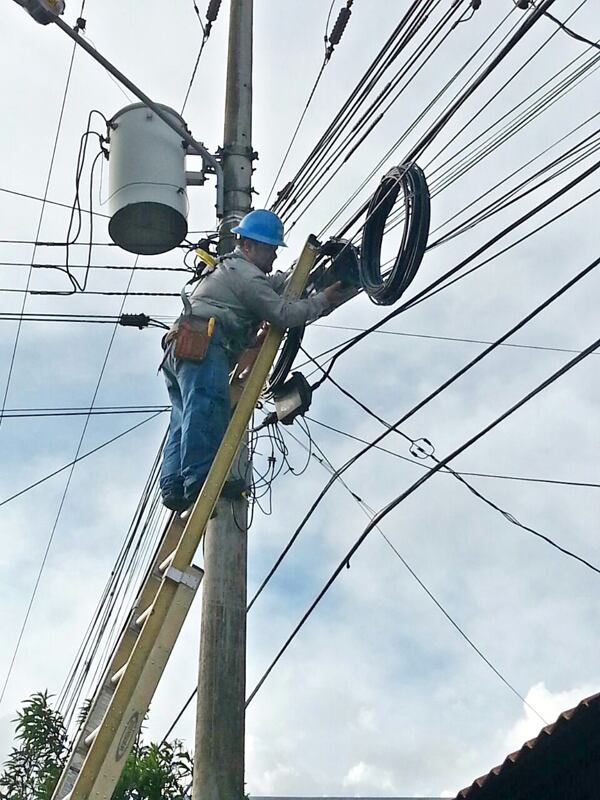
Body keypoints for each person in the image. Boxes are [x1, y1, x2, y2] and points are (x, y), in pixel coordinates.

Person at [159, 209, 348, 512]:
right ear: (248, 245)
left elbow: (272, 285)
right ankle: (200, 480)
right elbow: (282, 314)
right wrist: (322, 301)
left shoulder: (234, 270)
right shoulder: (244, 275)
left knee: (183, 417)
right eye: (270, 248)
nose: (274, 255)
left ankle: (173, 485)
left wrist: (303, 271)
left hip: (181, 346)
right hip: (203, 345)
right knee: (206, 408)